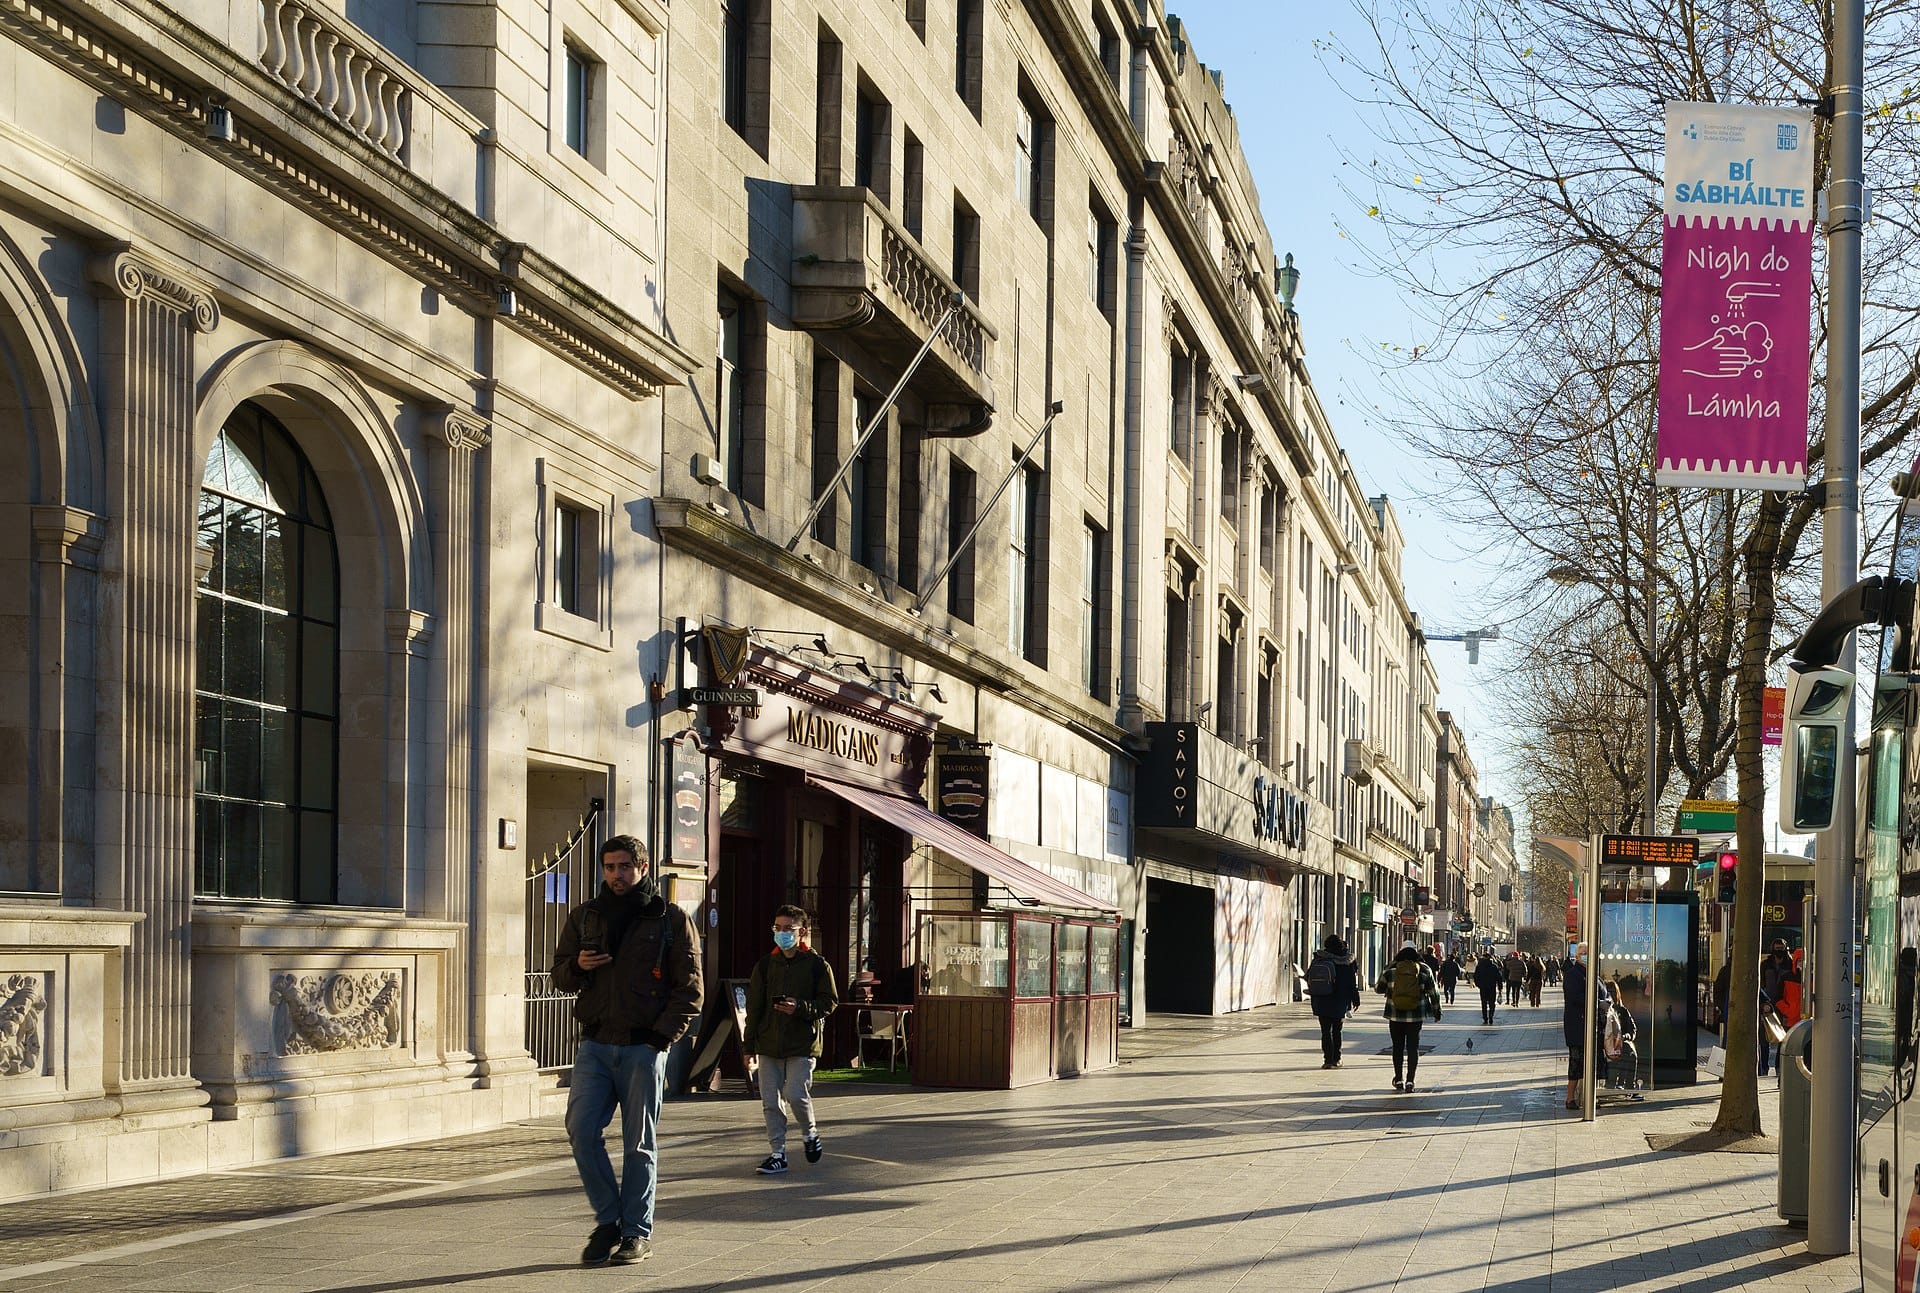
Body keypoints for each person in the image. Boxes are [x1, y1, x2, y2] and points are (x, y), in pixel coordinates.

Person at [551, 835, 704, 1266]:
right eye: (609, 867)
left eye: (624, 867)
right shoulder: (585, 917)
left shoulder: (669, 918)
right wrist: (576, 967)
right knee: (581, 1131)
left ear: (643, 866)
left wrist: (660, 1040)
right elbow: (558, 975)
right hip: (596, 1046)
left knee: (638, 1144)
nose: (616, 875)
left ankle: (637, 1232)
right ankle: (608, 1221)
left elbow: (690, 991)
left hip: (643, 1048)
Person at [745, 905, 840, 1175]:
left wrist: (799, 1007)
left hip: (801, 1043)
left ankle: (810, 1134)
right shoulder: (765, 965)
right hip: (768, 1043)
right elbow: (754, 1008)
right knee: (770, 1101)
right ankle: (777, 1153)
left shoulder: (817, 965)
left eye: (788, 928)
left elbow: (829, 1002)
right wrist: (748, 1046)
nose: (782, 933)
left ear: (802, 932)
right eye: (778, 928)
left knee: (795, 1093)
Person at [1374, 943, 1442, 1092]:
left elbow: (1378, 988)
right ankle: (1410, 1081)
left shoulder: (1391, 968)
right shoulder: (1424, 969)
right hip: (1416, 1015)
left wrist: (1391, 989)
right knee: (1413, 1047)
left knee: (1397, 1047)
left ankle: (1398, 1079)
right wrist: (1437, 1011)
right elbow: (1434, 992)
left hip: (1395, 1014)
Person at [1562, 943, 1612, 1109]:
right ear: (1576, 956)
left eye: (1587, 953)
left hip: (1595, 1026)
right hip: (1578, 1025)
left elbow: (1605, 992)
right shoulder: (1573, 974)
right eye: (1582, 953)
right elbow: (1575, 997)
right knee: (1576, 1062)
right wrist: (1597, 1003)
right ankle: (1570, 1098)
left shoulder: (1594, 975)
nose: (1585, 955)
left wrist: (1607, 1002)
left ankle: (1591, 1096)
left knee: (1594, 1062)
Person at [1305, 934, 1363, 1068]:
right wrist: (1356, 999)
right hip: (1340, 999)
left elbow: (1308, 976)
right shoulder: (1347, 960)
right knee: (1337, 1030)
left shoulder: (1319, 958)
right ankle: (1337, 1058)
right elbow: (1351, 982)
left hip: (1321, 998)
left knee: (1325, 1031)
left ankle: (1327, 1060)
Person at [1758, 939, 1799, 1077]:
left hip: (1783, 1007)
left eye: (1782, 947)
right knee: (1764, 1038)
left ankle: (1778, 1067)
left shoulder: (1790, 965)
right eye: (1777, 947)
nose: (1779, 950)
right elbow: (1760, 983)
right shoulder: (1765, 964)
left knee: (1783, 1039)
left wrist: (1785, 1007)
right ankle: (1764, 1067)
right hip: (1767, 1007)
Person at [1472, 951, 1503, 1025]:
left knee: (1484, 1003)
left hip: (1483, 988)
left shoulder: (1479, 967)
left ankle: (1485, 1018)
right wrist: (1500, 987)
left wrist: (1479, 985)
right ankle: (1491, 1016)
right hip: (1492, 988)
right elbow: (1499, 978)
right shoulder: (1494, 967)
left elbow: (1475, 977)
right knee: (1492, 1003)